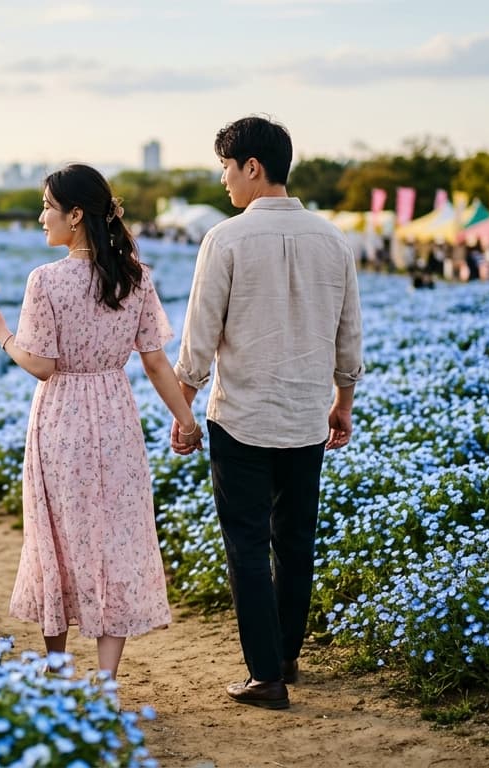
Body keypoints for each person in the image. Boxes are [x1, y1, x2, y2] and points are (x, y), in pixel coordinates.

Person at [0, 163, 202, 678]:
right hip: (117, 415)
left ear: (76, 215)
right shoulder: (134, 275)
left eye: (49, 208)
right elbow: (155, 360)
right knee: (115, 537)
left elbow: (41, 365)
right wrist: (186, 421)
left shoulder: (45, 280)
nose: (41, 217)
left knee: (52, 534)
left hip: (60, 418)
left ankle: (57, 668)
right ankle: (105, 681)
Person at [172, 116, 363, 710]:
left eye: (227, 169)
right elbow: (349, 334)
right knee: (296, 539)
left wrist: (184, 408)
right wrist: (343, 402)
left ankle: (265, 677)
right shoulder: (334, 239)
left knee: (249, 546)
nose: (225, 182)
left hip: (242, 417)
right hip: (307, 414)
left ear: (252, 166)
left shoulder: (225, 239)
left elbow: (199, 337)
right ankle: (285, 655)